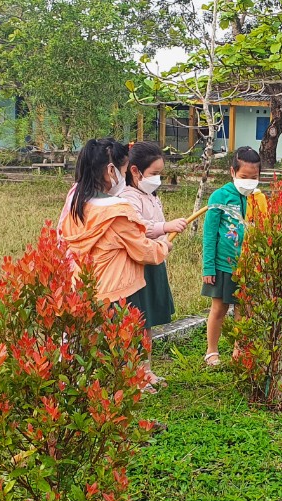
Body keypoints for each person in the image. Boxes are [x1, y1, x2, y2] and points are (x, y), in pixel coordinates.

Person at [59, 138, 171, 371]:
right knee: (124, 344)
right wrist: (163, 247)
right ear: (111, 170)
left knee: (92, 345)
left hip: (85, 285)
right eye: (122, 171)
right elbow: (142, 250)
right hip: (119, 289)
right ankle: (132, 385)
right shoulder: (117, 211)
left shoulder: (77, 202)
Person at [202, 146, 262, 367]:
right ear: (233, 172)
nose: (248, 181)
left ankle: (239, 350)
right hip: (222, 265)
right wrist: (208, 268)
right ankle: (212, 351)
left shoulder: (257, 198)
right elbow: (209, 235)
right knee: (219, 308)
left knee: (243, 310)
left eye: (253, 177)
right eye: (244, 177)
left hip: (248, 265)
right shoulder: (220, 196)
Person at [120, 141, 189, 330]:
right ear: (135, 171)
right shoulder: (128, 196)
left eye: (160, 174)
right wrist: (165, 227)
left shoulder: (150, 195)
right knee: (139, 320)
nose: (157, 179)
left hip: (155, 259)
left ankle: (146, 358)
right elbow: (137, 226)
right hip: (141, 265)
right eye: (154, 174)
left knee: (148, 320)